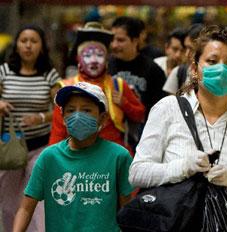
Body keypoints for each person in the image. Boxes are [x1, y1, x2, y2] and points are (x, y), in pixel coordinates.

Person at [129, 26, 227, 212]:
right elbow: (137, 173)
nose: (222, 69)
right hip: (175, 223)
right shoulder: (168, 109)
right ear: (194, 68)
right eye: (212, 61)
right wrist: (183, 167)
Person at [13, 82, 134, 232]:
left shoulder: (118, 156)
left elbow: (127, 211)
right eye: (70, 110)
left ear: (102, 118)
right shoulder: (49, 157)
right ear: (63, 118)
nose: (77, 116)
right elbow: (25, 208)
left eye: (87, 110)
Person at [48, 22, 145, 154]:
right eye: (88, 55)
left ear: (106, 60)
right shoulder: (66, 88)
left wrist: (124, 103)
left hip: (113, 155)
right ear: (78, 59)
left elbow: (140, 115)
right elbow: (58, 132)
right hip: (76, 155)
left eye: (99, 55)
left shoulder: (118, 85)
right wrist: (53, 159)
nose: (94, 60)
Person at [0, 24, 61, 232]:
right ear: (16, 45)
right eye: (24, 41)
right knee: (8, 203)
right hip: (9, 146)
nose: (28, 46)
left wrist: (42, 117)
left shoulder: (49, 75)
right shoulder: (4, 72)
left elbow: (63, 108)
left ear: (42, 47)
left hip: (40, 146)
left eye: (34, 41)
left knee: (36, 201)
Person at [108, 16, 167, 115]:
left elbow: (160, 108)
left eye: (120, 40)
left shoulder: (153, 70)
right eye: (112, 39)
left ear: (135, 41)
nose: (114, 45)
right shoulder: (106, 66)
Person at [163, 23, 204, 95]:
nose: (187, 54)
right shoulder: (179, 72)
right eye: (186, 48)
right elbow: (172, 104)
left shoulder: (212, 76)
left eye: (191, 49)